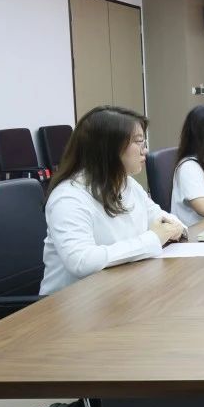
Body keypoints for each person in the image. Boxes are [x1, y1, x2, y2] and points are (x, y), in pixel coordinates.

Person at [40, 106, 185, 296]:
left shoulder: (127, 183)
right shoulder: (68, 198)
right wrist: (153, 238)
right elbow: (82, 262)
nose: (145, 150)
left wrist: (175, 227)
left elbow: (161, 218)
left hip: (120, 290)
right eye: (139, 142)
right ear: (109, 148)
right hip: (72, 302)